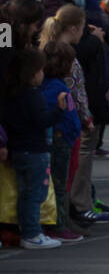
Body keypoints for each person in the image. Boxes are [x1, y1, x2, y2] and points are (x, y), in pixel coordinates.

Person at [6, 47, 67, 250]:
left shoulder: (13, 95)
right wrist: (59, 109)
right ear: (33, 74)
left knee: (24, 193)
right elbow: (42, 121)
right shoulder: (34, 96)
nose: (43, 74)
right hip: (35, 152)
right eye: (41, 71)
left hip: (18, 150)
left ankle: (27, 230)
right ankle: (32, 233)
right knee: (35, 194)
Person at [40, 40, 85, 244]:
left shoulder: (53, 85)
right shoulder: (54, 87)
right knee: (59, 185)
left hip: (65, 139)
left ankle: (60, 222)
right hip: (59, 142)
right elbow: (55, 113)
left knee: (60, 184)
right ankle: (57, 225)